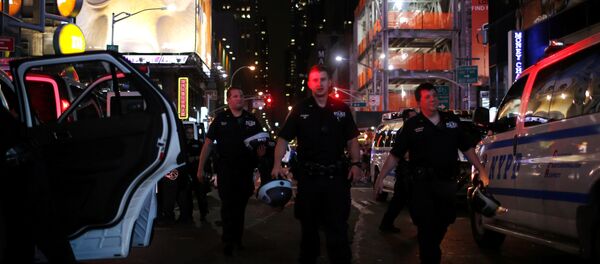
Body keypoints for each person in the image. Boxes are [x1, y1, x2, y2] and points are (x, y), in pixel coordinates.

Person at [374, 83, 489, 263]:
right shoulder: (412, 126)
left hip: (447, 184)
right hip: (422, 186)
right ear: (419, 102)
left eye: (434, 95)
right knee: (426, 227)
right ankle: (430, 257)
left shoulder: (451, 122)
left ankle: (431, 250)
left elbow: (467, 148)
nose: (433, 99)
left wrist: (481, 170)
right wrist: (380, 178)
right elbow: (395, 155)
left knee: (445, 220)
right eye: (427, 97)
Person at [272, 65, 363, 264]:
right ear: (309, 84)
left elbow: (352, 140)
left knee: (338, 230)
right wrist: (277, 164)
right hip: (309, 180)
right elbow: (282, 139)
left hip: (336, 180)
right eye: (315, 80)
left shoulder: (342, 109)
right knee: (308, 231)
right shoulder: (300, 109)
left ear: (330, 82)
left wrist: (356, 164)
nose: (319, 84)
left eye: (323, 79)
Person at [197, 87, 263, 256]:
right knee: (227, 206)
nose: (239, 98)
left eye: (241, 96)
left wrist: (262, 158)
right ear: (229, 100)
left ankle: (237, 238)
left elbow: (261, 143)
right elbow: (208, 144)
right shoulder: (221, 119)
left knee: (240, 207)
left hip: (244, 171)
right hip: (226, 170)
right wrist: (200, 167)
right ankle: (227, 241)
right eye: (235, 96)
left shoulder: (251, 120)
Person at [378, 108, 417, 233]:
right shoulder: (403, 131)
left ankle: (386, 223)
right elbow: (402, 154)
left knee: (402, 199)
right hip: (405, 170)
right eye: (412, 117)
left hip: (407, 171)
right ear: (406, 119)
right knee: (407, 199)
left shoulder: (411, 130)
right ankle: (421, 227)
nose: (415, 120)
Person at [179, 126, 210, 223]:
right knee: (187, 197)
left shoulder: (198, 144)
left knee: (200, 195)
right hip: (186, 174)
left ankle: (203, 215)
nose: (189, 134)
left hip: (197, 173)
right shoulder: (181, 145)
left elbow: (205, 156)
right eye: (188, 133)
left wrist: (195, 158)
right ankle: (189, 216)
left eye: (191, 133)